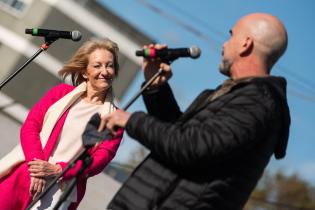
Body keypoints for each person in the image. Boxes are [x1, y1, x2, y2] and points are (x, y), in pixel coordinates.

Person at [101, 13, 290, 210]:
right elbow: (176, 136)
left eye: (231, 36)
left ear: (246, 44)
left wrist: (131, 120)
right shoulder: (238, 96)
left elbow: (192, 147)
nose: (224, 45)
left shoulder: (257, 103)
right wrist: (156, 87)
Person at [0, 38, 123, 210]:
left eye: (110, 65)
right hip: (25, 174)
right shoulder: (61, 94)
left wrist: (59, 170)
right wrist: (38, 168)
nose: (105, 71)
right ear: (85, 72)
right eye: (97, 65)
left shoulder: (114, 118)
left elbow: (99, 159)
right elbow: (31, 125)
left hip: (60, 190)